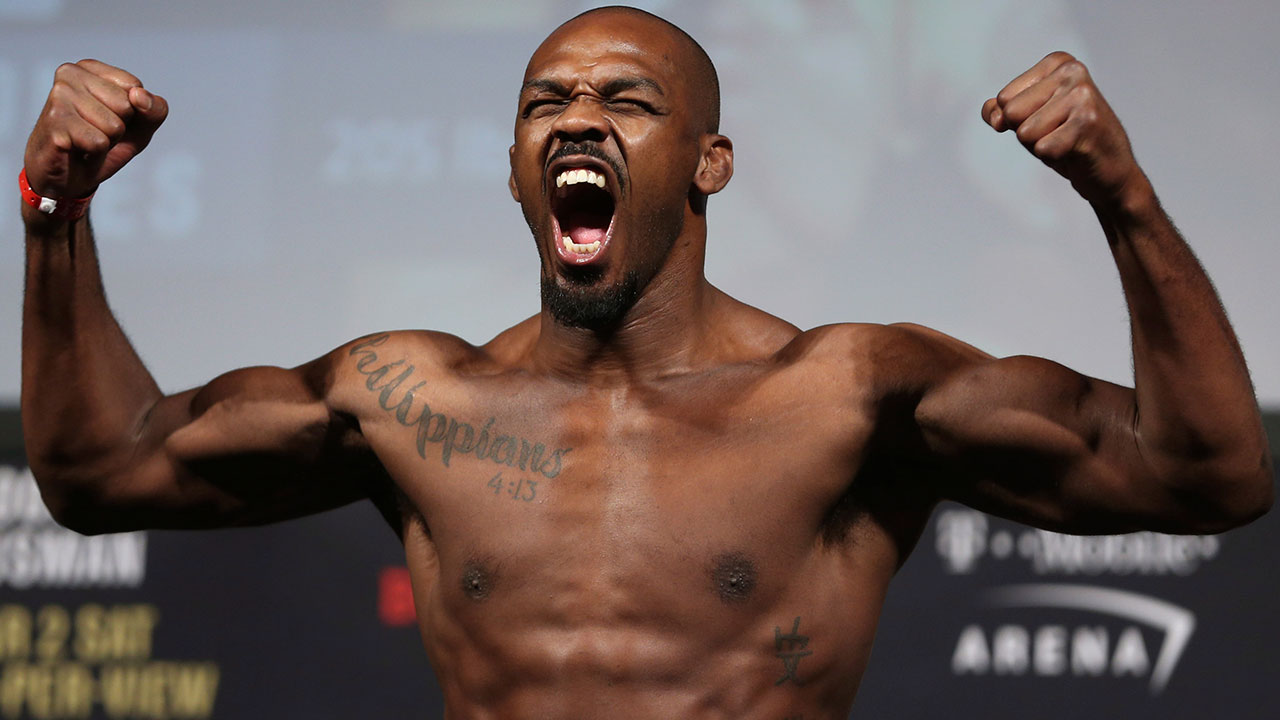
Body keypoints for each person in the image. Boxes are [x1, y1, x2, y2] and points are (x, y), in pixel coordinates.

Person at [18, 6, 1272, 718]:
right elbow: (98, 474)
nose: (576, 118)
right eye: (545, 102)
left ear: (709, 162)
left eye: (626, 101)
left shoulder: (844, 397)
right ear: (517, 168)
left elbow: (1204, 473)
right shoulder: (410, 397)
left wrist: (1121, 197)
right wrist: (56, 218)